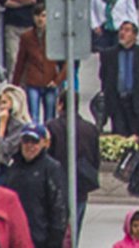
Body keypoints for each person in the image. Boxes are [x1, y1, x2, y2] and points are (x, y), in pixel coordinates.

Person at [0, 126, 63, 248]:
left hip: (39, 237)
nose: (29, 146)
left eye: (34, 141)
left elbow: (58, 208)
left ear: (44, 143)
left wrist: (54, 242)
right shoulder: (13, 165)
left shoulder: (51, 168)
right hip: (14, 236)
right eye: (26, 141)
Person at [44, 94, 98, 239]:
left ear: (60, 104)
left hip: (58, 186)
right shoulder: (90, 129)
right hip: (81, 185)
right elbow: (96, 160)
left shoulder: (52, 127)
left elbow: (46, 157)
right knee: (74, 231)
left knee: (58, 231)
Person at [9, 8, 63, 126]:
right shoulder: (27, 37)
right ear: (33, 17)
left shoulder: (54, 37)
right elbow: (20, 62)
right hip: (33, 81)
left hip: (50, 82)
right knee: (33, 117)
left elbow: (65, 62)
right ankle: (35, 141)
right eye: (37, 16)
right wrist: (14, 85)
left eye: (43, 16)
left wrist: (58, 80)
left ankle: (48, 142)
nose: (40, 19)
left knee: (50, 118)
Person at [98, 21, 139, 137]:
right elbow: (104, 76)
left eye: (127, 30)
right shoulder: (109, 54)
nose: (122, 33)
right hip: (117, 102)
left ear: (134, 35)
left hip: (135, 103)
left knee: (135, 136)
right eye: (121, 30)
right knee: (119, 135)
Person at [0, 87, 31, 164]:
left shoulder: (19, 125)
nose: (1, 107)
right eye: (0, 103)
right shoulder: (1, 120)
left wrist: (2, 127)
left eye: (4, 103)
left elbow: (4, 150)